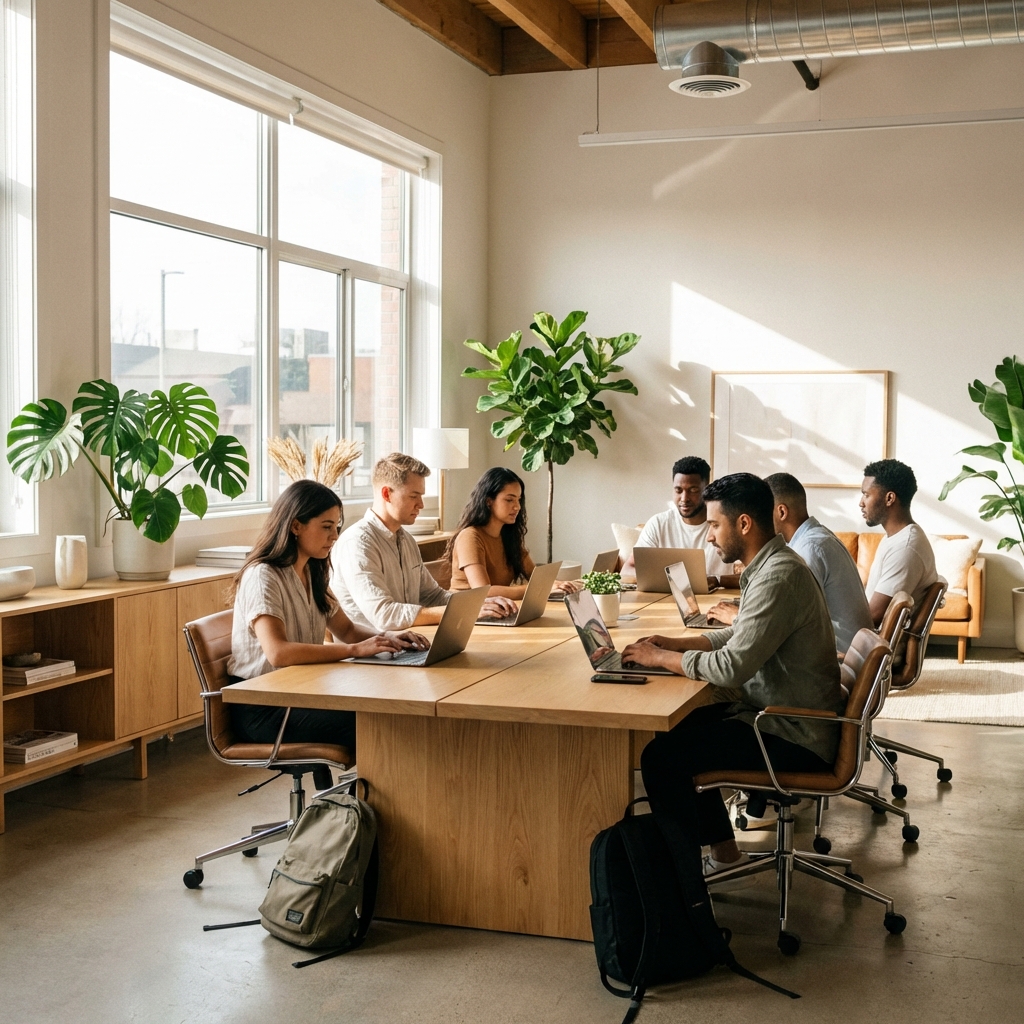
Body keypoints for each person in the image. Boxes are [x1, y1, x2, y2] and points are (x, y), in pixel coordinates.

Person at [621, 473, 845, 877]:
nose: (709, 536)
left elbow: (731, 667)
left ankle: (683, 883)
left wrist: (661, 658)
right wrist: (677, 644)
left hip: (794, 733)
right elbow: (742, 634)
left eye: (714, 525)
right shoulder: (772, 566)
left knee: (662, 758)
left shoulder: (779, 576)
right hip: (783, 717)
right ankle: (725, 853)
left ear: (744, 524)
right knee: (678, 728)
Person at [227, 480, 429, 761]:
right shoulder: (263, 576)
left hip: (300, 692)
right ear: (296, 526)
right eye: (326, 526)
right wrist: (354, 650)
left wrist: (387, 637)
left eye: (336, 526)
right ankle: (378, 789)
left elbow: (346, 629)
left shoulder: (313, 571)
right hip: (265, 708)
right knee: (377, 722)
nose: (334, 536)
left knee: (389, 710)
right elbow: (278, 653)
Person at [333, 452, 514, 632]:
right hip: (371, 646)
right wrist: (467, 611)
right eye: (414, 496)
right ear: (387, 494)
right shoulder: (357, 544)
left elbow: (433, 596)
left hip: (408, 640)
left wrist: (478, 603)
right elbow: (385, 616)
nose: (421, 504)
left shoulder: (406, 540)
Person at [764, 472, 874, 654]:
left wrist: (737, 617)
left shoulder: (809, 548)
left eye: (763, 512)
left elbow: (789, 621)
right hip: (851, 651)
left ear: (781, 512)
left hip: (842, 658)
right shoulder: (816, 537)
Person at [447, 466, 580, 599]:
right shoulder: (470, 536)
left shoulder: (508, 536)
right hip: (465, 609)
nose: (517, 507)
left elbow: (536, 577)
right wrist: (540, 588)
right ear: (488, 501)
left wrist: (559, 585)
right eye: (509, 500)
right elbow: (483, 592)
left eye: (519, 500)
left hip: (496, 607)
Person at [625, 456, 739, 588]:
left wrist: (717, 580)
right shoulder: (658, 524)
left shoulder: (727, 523)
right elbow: (627, 570)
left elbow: (752, 574)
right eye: (678, 490)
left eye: (693, 490)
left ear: (707, 489)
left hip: (716, 598)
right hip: (667, 598)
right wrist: (673, 580)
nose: (684, 498)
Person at [859, 459, 939, 625]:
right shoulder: (895, 538)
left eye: (866, 495)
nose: (861, 503)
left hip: (868, 639)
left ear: (889, 498)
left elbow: (873, 616)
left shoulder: (905, 548)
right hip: (863, 634)